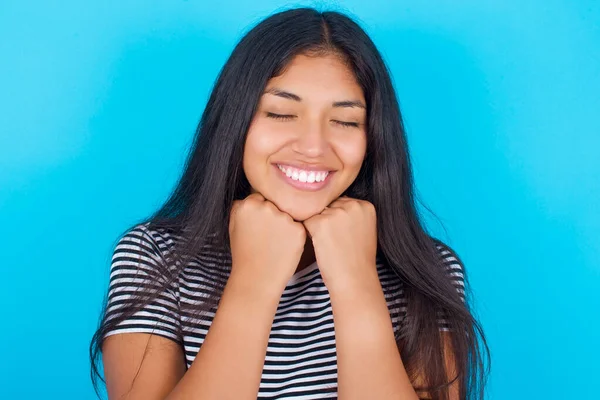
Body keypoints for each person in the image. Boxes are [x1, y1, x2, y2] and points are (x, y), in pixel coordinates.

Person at [89, 6, 490, 400]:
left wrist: (356, 282)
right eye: (281, 113)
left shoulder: (429, 270)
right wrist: (253, 281)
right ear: (235, 122)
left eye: (346, 121)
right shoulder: (154, 257)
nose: (313, 147)